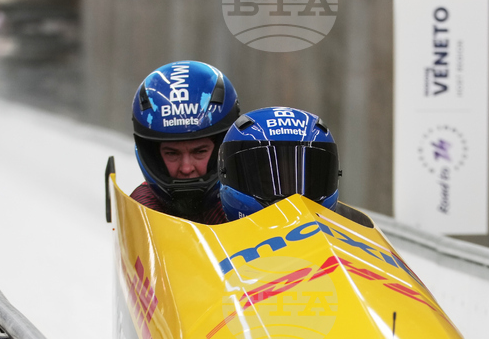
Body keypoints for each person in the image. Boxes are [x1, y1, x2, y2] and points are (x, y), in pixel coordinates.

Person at [130, 61, 240, 224]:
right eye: (172, 153)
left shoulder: (249, 201)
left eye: (200, 152)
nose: (186, 168)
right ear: (154, 157)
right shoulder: (141, 211)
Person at [218, 107, 340, 221]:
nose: (288, 200)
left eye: (297, 178)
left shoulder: (355, 227)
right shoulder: (206, 239)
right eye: (267, 180)